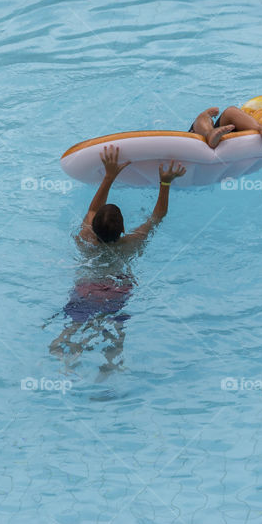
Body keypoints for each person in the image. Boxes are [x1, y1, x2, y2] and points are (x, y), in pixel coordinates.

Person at [48, 145, 185, 376]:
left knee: (74, 324)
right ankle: (111, 363)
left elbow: (93, 209)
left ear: (92, 227)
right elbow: (157, 217)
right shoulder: (131, 243)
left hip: (87, 288)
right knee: (116, 329)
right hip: (117, 289)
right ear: (123, 228)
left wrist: (109, 176)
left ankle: (62, 348)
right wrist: (165, 182)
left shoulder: (85, 238)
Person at [188, 106, 262, 149]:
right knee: (202, 117)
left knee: (230, 111)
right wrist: (207, 114)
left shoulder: (244, 118)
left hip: (222, 132)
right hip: (204, 135)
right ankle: (209, 134)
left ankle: (260, 128)